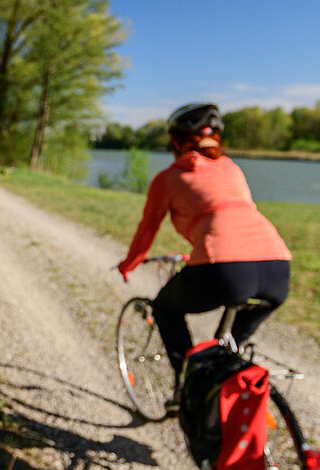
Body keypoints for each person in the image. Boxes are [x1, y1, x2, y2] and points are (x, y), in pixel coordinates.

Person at [117, 103, 291, 412]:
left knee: (165, 309)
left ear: (176, 142)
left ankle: (187, 392)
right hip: (277, 267)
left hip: (223, 267)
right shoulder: (233, 168)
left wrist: (129, 263)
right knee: (227, 351)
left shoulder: (168, 177)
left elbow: (147, 230)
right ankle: (223, 399)